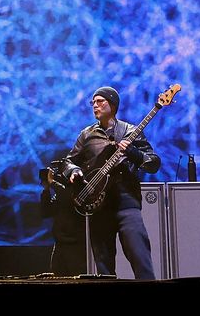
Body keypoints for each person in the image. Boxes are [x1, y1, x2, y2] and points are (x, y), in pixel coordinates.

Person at [61, 86, 159, 279]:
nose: (95, 105)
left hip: (126, 202)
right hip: (98, 207)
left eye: (100, 101)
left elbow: (153, 163)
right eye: (93, 102)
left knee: (141, 259)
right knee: (104, 269)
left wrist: (132, 152)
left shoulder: (130, 131)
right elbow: (68, 161)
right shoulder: (87, 135)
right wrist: (73, 171)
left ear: (113, 105)